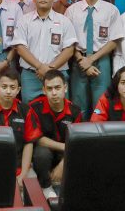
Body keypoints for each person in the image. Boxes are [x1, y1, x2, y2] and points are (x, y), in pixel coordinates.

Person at [66, 0, 124, 120]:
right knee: (79, 105)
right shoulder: (72, 11)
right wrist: (81, 60)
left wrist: (91, 60)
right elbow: (69, 41)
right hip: (78, 60)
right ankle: (80, 139)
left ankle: (100, 140)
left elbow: (114, 40)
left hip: (102, 60)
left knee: (101, 104)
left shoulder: (111, 10)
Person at [0, 67, 39, 190]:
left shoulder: (26, 110)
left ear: (18, 90)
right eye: (4, 87)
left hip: (20, 168)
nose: (8, 91)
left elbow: (28, 143)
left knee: (32, 192)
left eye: (12, 87)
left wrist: (23, 174)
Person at [13, 0, 77, 102]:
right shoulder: (24, 21)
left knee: (59, 112)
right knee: (30, 113)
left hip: (58, 74)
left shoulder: (64, 21)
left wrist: (49, 69)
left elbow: (69, 50)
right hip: (30, 76)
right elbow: (20, 48)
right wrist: (40, 67)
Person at [26, 70, 82, 198]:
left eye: (57, 88)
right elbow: (38, 139)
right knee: (41, 153)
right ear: (44, 90)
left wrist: (63, 164)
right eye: (49, 89)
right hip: (46, 151)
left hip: (66, 153)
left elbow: (78, 142)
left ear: (65, 88)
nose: (54, 93)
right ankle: (46, 186)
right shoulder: (34, 107)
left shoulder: (75, 111)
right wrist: (65, 147)